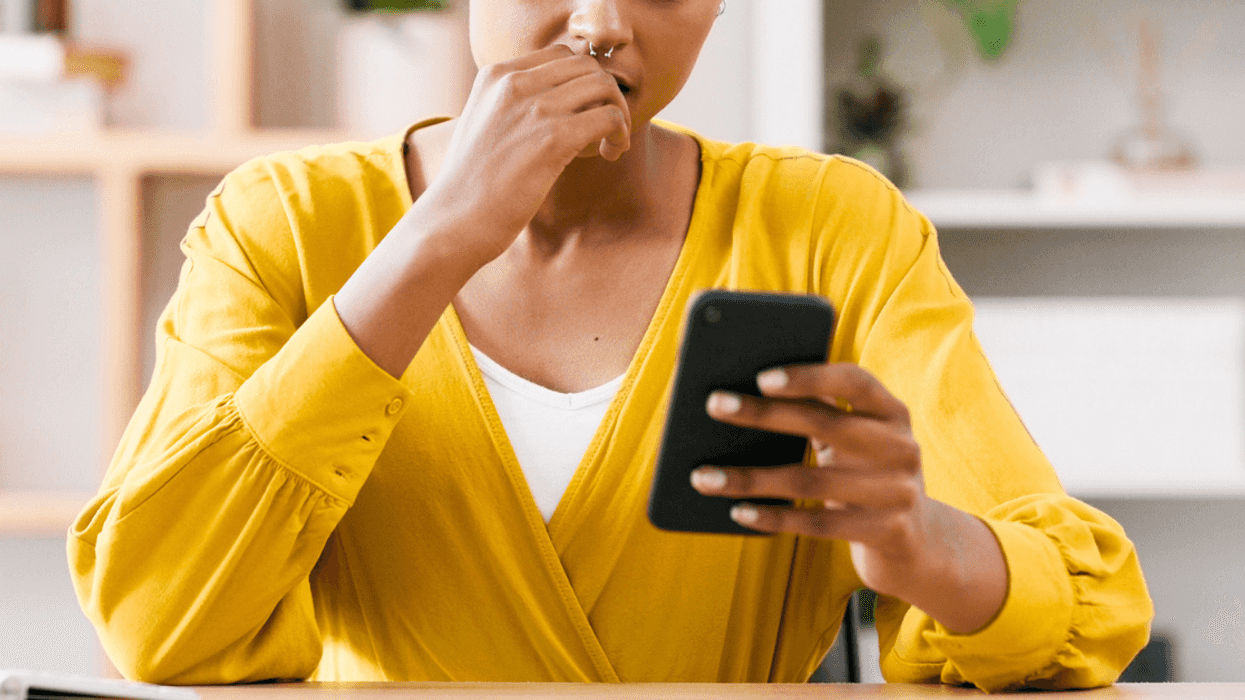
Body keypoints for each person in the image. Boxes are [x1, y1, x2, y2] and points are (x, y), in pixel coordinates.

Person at [67, 0, 1153, 691]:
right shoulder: (282, 224)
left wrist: (922, 542)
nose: (601, 23)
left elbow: (1086, 604)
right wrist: (436, 241)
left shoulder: (832, 225)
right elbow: (159, 615)